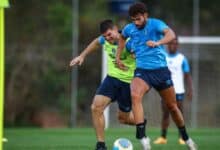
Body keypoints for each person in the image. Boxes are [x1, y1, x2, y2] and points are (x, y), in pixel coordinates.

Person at [115, 2, 197, 150]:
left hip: (161, 71)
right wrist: (118, 58)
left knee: (172, 107)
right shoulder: (130, 29)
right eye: (133, 19)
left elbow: (171, 35)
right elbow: (122, 37)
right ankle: (142, 136)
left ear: (145, 15)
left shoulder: (156, 24)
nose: (136, 22)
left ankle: (186, 137)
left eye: (138, 19)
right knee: (135, 94)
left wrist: (158, 42)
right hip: (143, 72)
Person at [69, 19, 136, 150]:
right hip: (111, 80)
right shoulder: (104, 39)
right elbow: (96, 42)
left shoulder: (129, 41)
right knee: (96, 107)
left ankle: (141, 122)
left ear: (116, 29)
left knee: (123, 118)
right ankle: (101, 145)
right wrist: (82, 56)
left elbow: (138, 54)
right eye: (105, 36)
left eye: (110, 34)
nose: (108, 38)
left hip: (128, 83)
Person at [154, 37, 193, 145]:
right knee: (165, 114)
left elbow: (187, 75)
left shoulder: (182, 58)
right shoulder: (163, 57)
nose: (173, 45)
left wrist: (190, 90)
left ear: (178, 45)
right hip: (165, 90)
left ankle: (182, 137)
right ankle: (163, 137)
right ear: (167, 45)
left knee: (179, 114)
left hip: (179, 90)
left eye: (175, 44)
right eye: (171, 43)